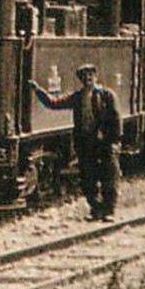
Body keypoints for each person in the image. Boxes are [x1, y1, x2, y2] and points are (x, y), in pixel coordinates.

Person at [30, 63, 122, 220]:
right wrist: (38, 90)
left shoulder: (107, 95)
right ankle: (96, 209)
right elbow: (54, 103)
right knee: (88, 178)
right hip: (86, 142)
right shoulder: (77, 97)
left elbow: (116, 119)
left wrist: (114, 141)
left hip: (105, 142)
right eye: (84, 77)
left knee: (108, 177)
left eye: (90, 76)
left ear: (95, 77)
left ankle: (109, 211)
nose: (87, 79)